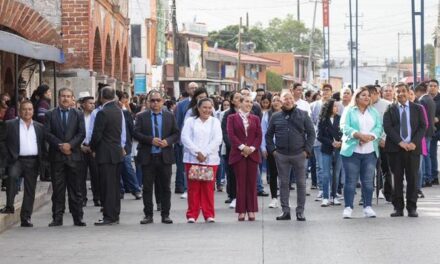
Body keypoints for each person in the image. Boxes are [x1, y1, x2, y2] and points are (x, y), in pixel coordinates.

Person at [266, 92, 315, 221]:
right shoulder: (275, 116)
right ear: (281, 101)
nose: (288, 101)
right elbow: (268, 135)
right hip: (281, 155)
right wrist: (273, 151)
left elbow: (311, 133)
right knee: (283, 183)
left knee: (301, 183)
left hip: (299, 154)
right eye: (285, 99)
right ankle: (285, 211)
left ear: (294, 100)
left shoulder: (303, 114)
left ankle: (300, 211)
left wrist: (307, 151)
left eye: (290, 99)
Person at [134, 91, 179, 225]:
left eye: (158, 100)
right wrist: (150, 140)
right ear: (148, 102)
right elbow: (135, 133)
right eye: (152, 100)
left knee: (165, 187)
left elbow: (176, 133)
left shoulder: (169, 116)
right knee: (147, 187)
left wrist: (168, 141)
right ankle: (148, 215)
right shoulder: (141, 116)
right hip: (148, 156)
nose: (155, 103)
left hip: (164, 156)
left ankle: (165, 214)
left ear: (163, 101)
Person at [45, 88, 86, 227]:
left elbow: (81, 134)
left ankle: (78, 217)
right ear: (58, 98)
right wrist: (60, 145)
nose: (65, 99)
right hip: (56, 157)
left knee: (76, 189)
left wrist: (70, 145)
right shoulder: (50, 114)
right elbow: (47, 133)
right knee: (58, 189)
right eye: (63, 96)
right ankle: (57, 218)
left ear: (72, 98)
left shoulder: (78, 114)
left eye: (68, 96)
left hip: (73, 156)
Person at [0, 101, 45, 227]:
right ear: (19, 111)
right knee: (12, 177)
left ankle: (26, 218)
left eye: (30, 109)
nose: (27, 112)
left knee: (30, 190)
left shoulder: (39, 127)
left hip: (33, 161)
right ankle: (9, 205)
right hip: (16, 160)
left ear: (33, 111)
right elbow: (2, 141)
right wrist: (8, 155)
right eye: (24, 109)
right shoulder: (10, 124)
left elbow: (42, 144)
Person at [383, 83, 426, 218]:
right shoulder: (389, 109)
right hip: (395, 149)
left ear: (408, 93)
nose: (400, 94)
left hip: (413, 149)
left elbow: (423, 126)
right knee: (397, 179)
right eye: (398, 92)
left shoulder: (417, 108)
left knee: (412, 179)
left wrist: (414, 142)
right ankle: (398, 208)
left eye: (403, 91)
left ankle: (412, 208)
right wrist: (400, 142)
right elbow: (387, 127)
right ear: (395, 94)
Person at [340, 87, 383, 219]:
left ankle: (367, 207)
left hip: (369, 151)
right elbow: (344, 126)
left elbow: (379, 127)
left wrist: (369, 137)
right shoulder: (349, 110)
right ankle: (348, 207)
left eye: (368, 96)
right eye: (363, 95)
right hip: (352, 151)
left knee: (368, 181)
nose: (367, 97)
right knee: (351, 181)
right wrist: (357, 135)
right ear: (357, 97)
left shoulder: (374, 112)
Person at [181, 98, 222, 223]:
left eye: (210, 108)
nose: (207, 110)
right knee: (193, 188)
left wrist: (204, 153)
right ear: (198, 108)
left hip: (210, 160)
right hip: (192, 159)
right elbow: (185, 138)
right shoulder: (190, 121)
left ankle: (209, 214)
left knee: (208, 188)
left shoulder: (215, 122)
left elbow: (217, 139)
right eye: (204, 107)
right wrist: (197, 152)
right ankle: (192, 215)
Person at [90, 87, 124, 225]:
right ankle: (114, 214)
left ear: (101, 96)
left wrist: (91, 147)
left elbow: (97, 134)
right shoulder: (118, 110)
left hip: (105, 154)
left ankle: (109, 216)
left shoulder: (103, 113)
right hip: (115, 153)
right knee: (114, 186)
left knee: (107, 186)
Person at [227, 95, 262, 221]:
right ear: (240, 103)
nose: (249, 104)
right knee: (240, 183)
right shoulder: (232, 118)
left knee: (252, 183)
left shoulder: (256, 118)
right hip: (238, 154)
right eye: (247, 101)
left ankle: (252, 210)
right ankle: (241, 211)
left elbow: (259, 136)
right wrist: (243, 147)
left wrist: (251, 149)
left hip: (252, 154)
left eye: (251, 102)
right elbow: (231, 135)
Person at [116, 91, 142, 200]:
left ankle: (135, 189)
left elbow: (132, 129)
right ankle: (120, 190)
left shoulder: (126, 113)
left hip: (125, 144)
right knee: (116, 168)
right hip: (112, 144)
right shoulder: (104, 112)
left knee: (127, 166)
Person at [368, 85, 392, 201]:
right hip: (369, 141)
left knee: (386, 168)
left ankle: (388, 193)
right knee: (369, 168)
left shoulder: (387, 105)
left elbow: (388, 124)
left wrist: (383, 138)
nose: (370, 97)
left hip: (384, 141)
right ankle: (369, 191)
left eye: (373, 94)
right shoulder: (364, 106)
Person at [318, 99, 343, 207]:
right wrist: (331, 142)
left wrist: (340, 142)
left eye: (337, 106)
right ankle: (325, 197)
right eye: (334, 106)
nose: (336, 108)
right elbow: (320, 136)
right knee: (326, 174)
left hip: (339, 149)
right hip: (327, 149)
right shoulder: (323, 120)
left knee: (336, 174)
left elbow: (345, 132)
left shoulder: (341, 118)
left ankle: (334, 196)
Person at [310, 84, 333, 200]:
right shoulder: (314, 105)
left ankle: (333, 190)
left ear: (331, 92)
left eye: (328, 90)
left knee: (332, 167)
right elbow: (312, 122)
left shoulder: (334, 105)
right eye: (323, 90)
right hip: (318, 139)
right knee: (320, 166)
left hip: (332, 141)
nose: (325, 92)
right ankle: (322, 189)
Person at [174, 82, 197, 195]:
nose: (193, 89)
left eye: (195, 88)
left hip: (198, 140)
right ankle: (180, 186)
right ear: (188, 90)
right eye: (191, 88)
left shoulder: (205, 103)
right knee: (182, 165)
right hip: (184, 139)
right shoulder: (182, 104)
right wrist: (178, 139)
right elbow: (178, 122)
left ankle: (193, 188)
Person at [261, 94, 282, 208]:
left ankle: (284, 197)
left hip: (285, 148)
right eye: (274, 100)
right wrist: (263, 148)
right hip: (271, 148)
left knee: (284, 174)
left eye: (278, 100)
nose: (276, 102)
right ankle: (274, 198)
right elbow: (263, 132)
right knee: (273, 174)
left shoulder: (287, 114)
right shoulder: (267, 115)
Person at [79, 96, 100, 207]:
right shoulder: (78, 116)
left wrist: (94, 147)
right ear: (83, 104)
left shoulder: (97, 115)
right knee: (81, 174)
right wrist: (80, 146)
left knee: (96, 174)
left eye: (93, 103)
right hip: (81, 147)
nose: (92, 105)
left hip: (93, 149)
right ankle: (83, 198)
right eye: (89, 103)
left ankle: (97, 197)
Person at [222, 92, 242, 208]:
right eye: (236, 98)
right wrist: (234, 145)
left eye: (241, 98)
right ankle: (233, 196)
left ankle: (243, 195)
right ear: (232, 101)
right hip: (232, 148)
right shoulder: (228, 115)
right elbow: (225, 132)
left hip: (246, 149)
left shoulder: (248, 113)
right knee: (232, 173)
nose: (239, 100)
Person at [414, 84, 436, 188]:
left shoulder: (422, 101)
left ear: (418, 91)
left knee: (423, 156)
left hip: (425, 132)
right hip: (430, 131)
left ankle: (424, 179)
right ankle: (429, 177)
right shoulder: (431, 99)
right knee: (428, 156)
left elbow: (422, 119)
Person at [428, 79, 440, 185]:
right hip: (431, 130)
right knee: (431, 153)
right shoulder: (425, 99)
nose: (432, 87)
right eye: (430, 85)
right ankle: (434, 176)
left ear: (438, 87)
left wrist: (438, 118)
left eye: (434, 86)